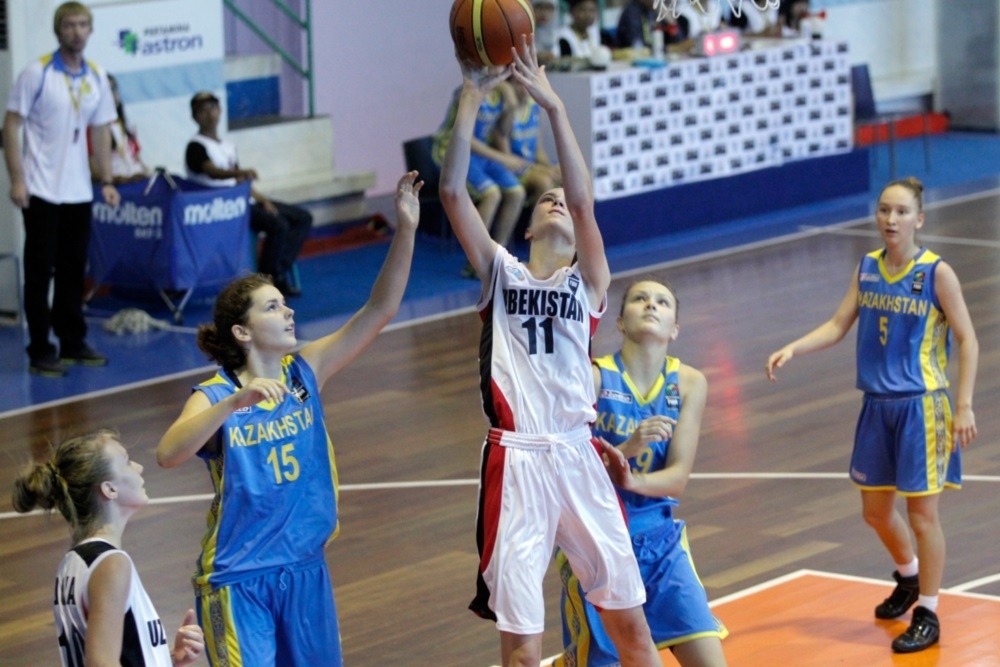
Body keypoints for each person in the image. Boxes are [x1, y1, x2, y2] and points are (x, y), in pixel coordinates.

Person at [439, 37, 660, 667]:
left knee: (632, 631)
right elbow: (453, 191)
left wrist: (555, 108)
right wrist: (472, 94)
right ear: (530, 227)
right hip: (516, 460)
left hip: (577, 454)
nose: (560, 201)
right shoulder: (500, 272)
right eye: (546, 199)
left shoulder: (587, 283)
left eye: (565, 198)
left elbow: (584, 199)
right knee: (521, 650)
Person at [155, 171, 420, 667]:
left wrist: (405, 230)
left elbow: (380, 309)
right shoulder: (218, 394)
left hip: (304, 567)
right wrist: (234, 404)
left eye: (284, 303)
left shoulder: (305, 372)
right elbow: (168, 454)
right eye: (273, 307)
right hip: (237, 578)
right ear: (243, 332)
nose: (288, 312)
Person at [765, 177, 979, 654]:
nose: (891, 219)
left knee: (922, 516)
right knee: (876, 512)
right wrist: (794, 347)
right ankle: (909, 576)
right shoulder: (867, 268)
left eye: (901, 212)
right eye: (884, 210)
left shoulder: (936, 273)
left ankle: (928, 612)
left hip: (921, 405)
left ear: (919, 219)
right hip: (876, 406)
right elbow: (839, 324)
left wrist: (963, 404)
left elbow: (968, 338)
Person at [555, 279, 728, 667]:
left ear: (675, 329)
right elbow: (567, 478)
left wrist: (631, 479)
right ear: (619, 322)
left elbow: (677, 478)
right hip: (595, 544)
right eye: (640, 299)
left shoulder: (689, 383)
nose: (651, 305)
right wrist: (628, 450)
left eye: (663, 302)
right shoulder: (593, 378)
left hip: (660, 543)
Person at [12, 430, 205, 666]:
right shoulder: (111, 564)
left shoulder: (72, 563)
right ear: (110, 489)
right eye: (127, 462)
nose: (139, 467)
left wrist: (168, 658)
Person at [3, 1, 119, 377]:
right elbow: (11, 125)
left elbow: (101, 129)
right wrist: (17, 178)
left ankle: (72, 342)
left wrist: (106, 180)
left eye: (83, 24)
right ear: (58, 30)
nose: (77, 32)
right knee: (40, 272)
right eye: (69, 25)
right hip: (41, 189)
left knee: (72, 270)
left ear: (90, 30)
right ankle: (40, 348)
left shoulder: (96, 76)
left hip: (78, 191)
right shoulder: (37, 73)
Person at [185, 91, 312, 298]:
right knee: (278, 225)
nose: (209, 114)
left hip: (244, 201)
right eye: (203, 110)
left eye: (213, 108)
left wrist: (263, 200)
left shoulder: (227, 146)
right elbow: (212, 172)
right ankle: (266, 281)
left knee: (302, 217)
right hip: (222, 208)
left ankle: (277, 271)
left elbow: (241, 181)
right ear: (195, 117)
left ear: (220, 111)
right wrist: (239, 172)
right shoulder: (195, 146)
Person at [432, 81, 526, 271]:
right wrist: (503, 158)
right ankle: (476, 263)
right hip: (452, 152)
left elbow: (502, 132)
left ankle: (498, 257)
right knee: (491, 194)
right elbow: (465, 137)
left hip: (481, 155)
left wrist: (511, 106)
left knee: (516, 193)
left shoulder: (501, 95)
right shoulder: (467, 93)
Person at [494, 78, 561, 213]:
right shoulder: (505, 112)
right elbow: (509, 161)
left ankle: (567, 226)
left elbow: (538, 150)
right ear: (509, 85)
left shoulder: (533, 106)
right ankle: (537, 225)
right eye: (518, 83)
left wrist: (550, 168)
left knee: (571, 176)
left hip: (530, 166)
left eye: (526, 82)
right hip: (512, 169)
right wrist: (543, 170)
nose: (524, 88)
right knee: (544, 182)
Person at [89, 73, 149, 184]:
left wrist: (146, 175)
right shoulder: (92, 129)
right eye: (107, 90)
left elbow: (138, 160)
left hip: (135, 180)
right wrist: (121, 180)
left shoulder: (126, 125)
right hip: (116, 185)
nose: (113, 94)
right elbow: (94, 171)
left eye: (114, 89)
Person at [531, 0, 560, 65]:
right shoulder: (523, 35)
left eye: (549, 8)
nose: (544, 13)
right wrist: (537, 57)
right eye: (539, 7)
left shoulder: (563, 35)